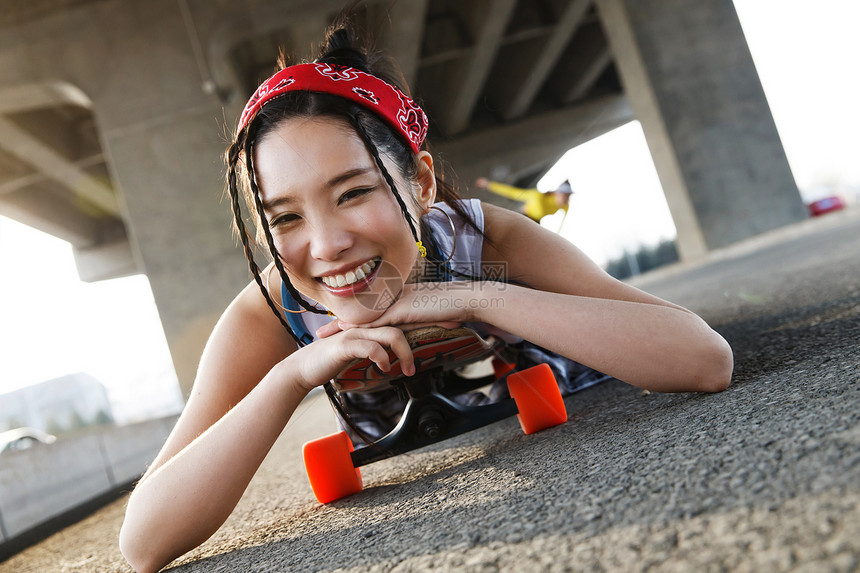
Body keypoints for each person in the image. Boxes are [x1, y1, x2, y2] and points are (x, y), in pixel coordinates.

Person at [119, 11, 733, 573]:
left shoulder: (481, 238)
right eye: (286, 219)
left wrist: (475, 298)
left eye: (353, 193)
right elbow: (144, 542)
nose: (327, 245)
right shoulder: (273, 307)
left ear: (420, 183)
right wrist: (292, 375)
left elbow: (704, 359)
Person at [475, 177, 573, 223]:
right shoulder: (538, 195)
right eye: (565, 195)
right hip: (521, 217)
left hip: (536, 224)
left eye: (568, 196)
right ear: (556, 193)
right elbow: (511, 192)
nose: (566, 199)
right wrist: (488, 184)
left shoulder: (565, 206)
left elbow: (565, 223)